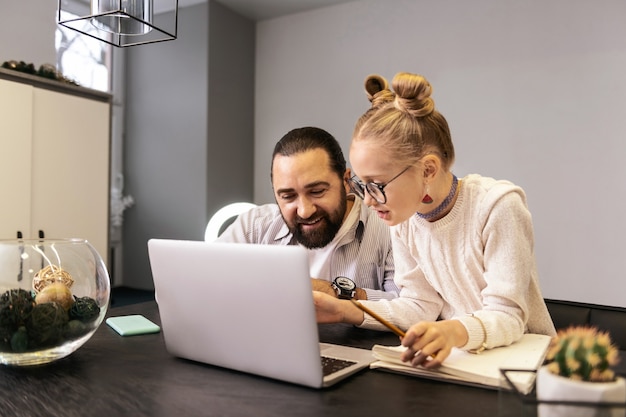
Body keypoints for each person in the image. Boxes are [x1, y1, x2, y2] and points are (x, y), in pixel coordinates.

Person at [313, 72, 555, 368]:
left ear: (428, 169)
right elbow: (421, 305)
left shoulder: (497, 205)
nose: (369, 200)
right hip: (466, 362)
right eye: (362, 185)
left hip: (529, 365)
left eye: (377, 184)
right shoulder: (404, 218)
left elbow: (509, 316)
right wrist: (344, 310)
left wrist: (452, 330)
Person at [218, 126, 399, 301]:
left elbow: (408, 308)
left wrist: (335, 293)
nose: (305, 212)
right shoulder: (253, 227)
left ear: (346, 181)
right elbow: (207, 284)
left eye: (317, 191)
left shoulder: (390, 229)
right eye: (288, 196)